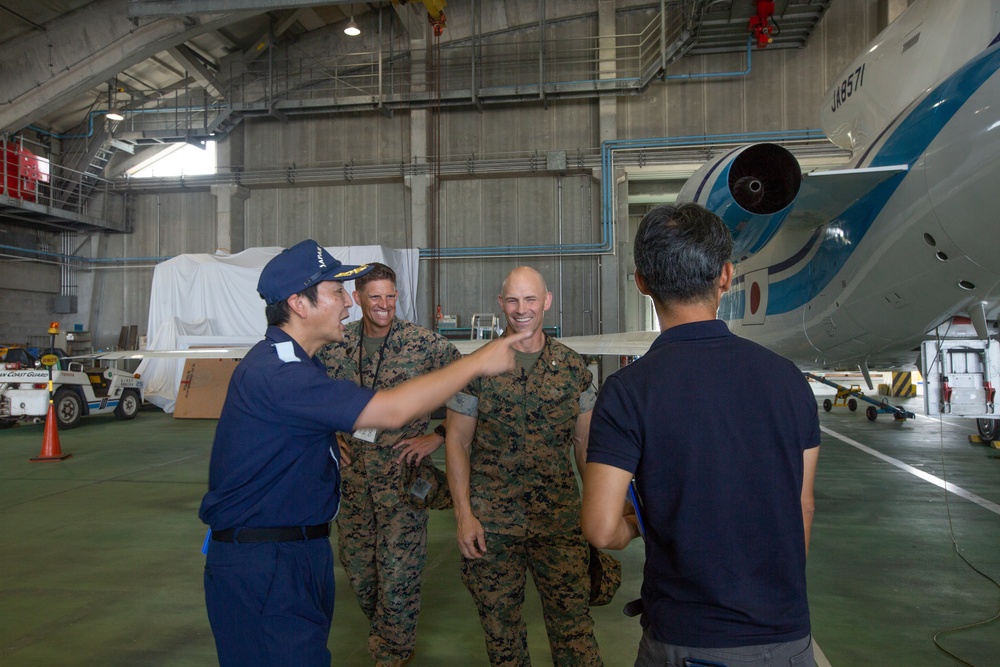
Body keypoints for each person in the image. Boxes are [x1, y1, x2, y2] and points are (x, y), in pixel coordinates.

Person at [199, 240, 528, 667]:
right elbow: (389, 410)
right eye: (337, 293)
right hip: (267, 562)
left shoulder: (298, 366)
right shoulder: (280, 373)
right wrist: (479, 360)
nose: (347, 306)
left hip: (294, 550)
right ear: (299, 303)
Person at [581, 203, 820, 667]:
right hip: (786, 635)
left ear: (642, 282)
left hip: (687, 641)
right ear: (727, 276)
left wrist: (636, 525)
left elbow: (599, 527)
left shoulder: (629, 391)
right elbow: (803, 505)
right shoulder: (788, 379)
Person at [444, 266, 604, 667]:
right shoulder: (478, 367)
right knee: (503, 639)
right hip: (493, 527)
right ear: (501, 305)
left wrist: (597, 513)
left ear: (546, 302)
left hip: (560, 522)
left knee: (576, 634)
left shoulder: (573, 369)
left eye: (530, 299)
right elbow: (457, 441)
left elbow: (585, 446)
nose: (522, 309)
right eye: (513, 300)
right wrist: (464, 516)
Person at [317, 262, 461, 667]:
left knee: (399, 576)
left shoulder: (424, 345)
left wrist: (441, 434)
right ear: (359, 298)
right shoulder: (335, 344)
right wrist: (325, 437)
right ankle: (389, 635)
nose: (384, 305)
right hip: (352, 481)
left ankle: (392, 654)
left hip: (402, 480)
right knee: (361, 573)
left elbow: (472, 386)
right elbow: (308, 399)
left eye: (391, 296)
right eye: (375, 297)